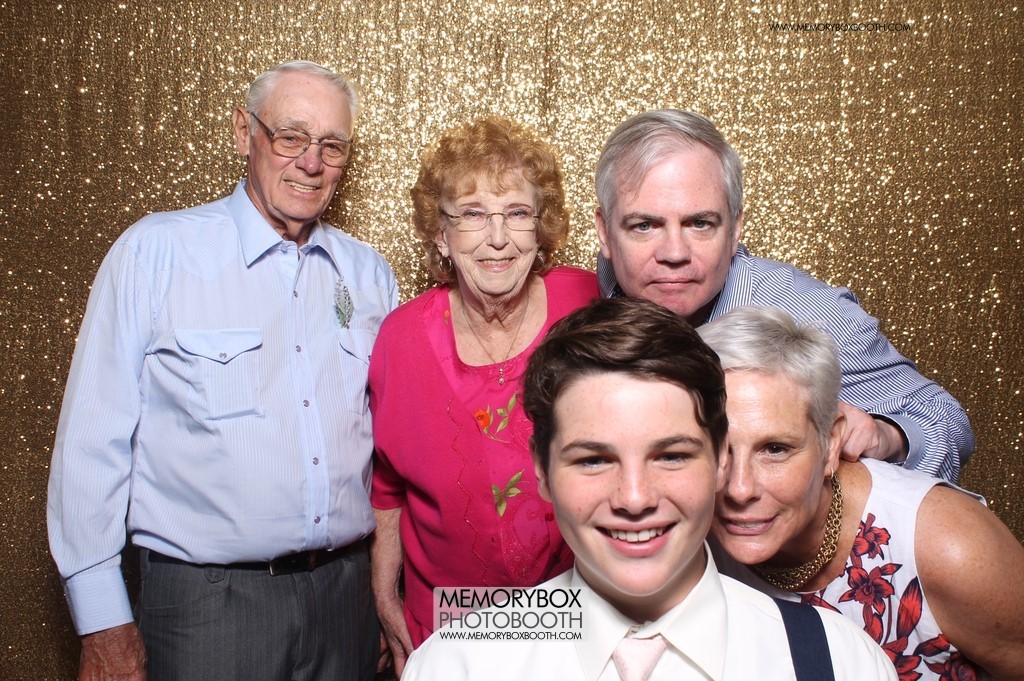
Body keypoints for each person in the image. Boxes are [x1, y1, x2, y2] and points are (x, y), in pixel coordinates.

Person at [47, 60, 395, 680]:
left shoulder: (368, 274)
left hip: (345, 602)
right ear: (244, 132)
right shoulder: (156, 254)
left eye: (332, 146)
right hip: (207, 610)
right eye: (290, 137)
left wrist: (383, 594)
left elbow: (392, 450)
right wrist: (102, 619)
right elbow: (91, 445)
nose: (310, 163)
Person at [403, 297, 898, 680]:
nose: (635, 498)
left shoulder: (839, 662)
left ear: (721, 460)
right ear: (543, 471)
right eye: (594, 460)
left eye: (671, 456)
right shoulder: (458, 664)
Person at [593, 109, 973, 482]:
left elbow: (946, 421)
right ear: (606, 233)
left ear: (735, 229)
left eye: (700, 223)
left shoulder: (809, 312)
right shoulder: (592, 299)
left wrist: (888, 436)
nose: (674, 252)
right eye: (644, 226)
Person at [369, 116, 599, 674]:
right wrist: (383, 595)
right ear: (441, 235)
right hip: (449, 626)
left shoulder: (590, 305)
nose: (497, 238)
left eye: (517, 213)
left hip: (582, 618)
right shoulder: (401, 338)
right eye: (472, 214)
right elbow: (388, 484)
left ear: (540, 231)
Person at [699, 306, 1024, 679]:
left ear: (831, 444)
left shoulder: (948, 547)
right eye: (715, 448)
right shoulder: (686, 532)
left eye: (775, 449)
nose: (740, 489)